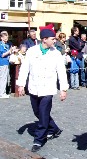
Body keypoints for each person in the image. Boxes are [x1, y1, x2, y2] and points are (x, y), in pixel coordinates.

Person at [16, 24, 69, 153]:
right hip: (34, 87)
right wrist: (21, 84)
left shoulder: (56, 53)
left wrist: (63, 89)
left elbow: (61, 72)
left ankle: (39, 139)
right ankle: (54, 129)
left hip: (48, 88)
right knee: (37, 112)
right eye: (53, 39)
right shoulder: (32, 51)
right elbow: (25, 69)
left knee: (44, 113)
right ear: (44, 39)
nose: (55, 41)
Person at [0, 31, 17, 98]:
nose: (6, 39)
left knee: (6, 78)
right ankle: (2, 93)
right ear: (1, 38)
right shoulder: (0, 45)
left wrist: (13, 50)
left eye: (7, 37)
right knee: (3, 78)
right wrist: (10, 51)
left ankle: (3, 92)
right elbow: (2, 55)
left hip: (7, 63)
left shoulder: (7, 44)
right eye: (4, 37)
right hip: (2, 63)